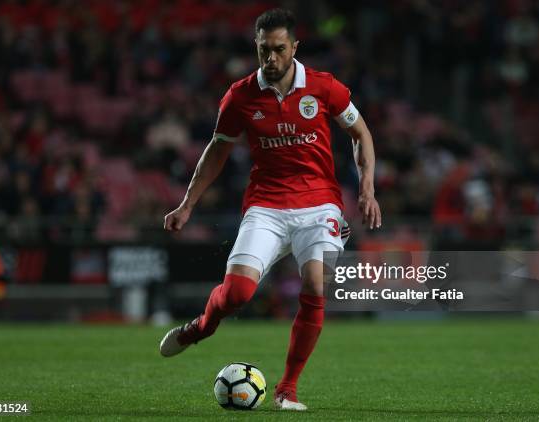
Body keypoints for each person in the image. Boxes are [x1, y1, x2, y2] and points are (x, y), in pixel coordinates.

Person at [159, 8, 381, 411]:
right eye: (264, 50)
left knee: (316, 285)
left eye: (279, 49)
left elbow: (360, 133)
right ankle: (202, 327)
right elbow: (217, 150)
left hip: (320, 205)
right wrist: (187, 203)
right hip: (266, 206)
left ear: (295, 47)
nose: (271, 58)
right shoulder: (241, 96)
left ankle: (288, 389)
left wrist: (366, 187)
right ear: (256, 48)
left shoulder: (324, 87)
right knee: (239, 294)